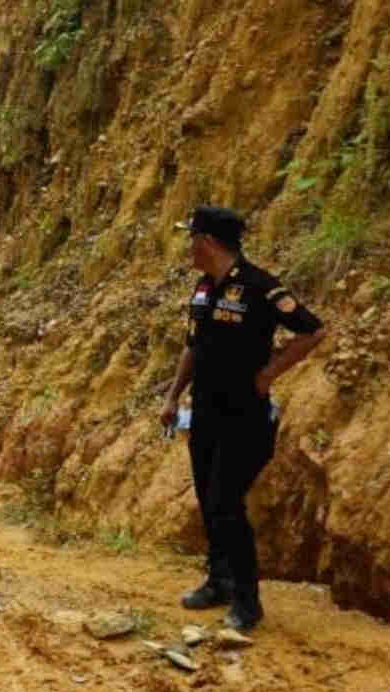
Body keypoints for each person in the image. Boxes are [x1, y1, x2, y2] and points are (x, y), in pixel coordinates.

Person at [160, 206, 327, 632]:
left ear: (208, 242)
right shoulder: (202, 287)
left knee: (225, 502)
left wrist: (268, 374)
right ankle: (218, 582)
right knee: (209, 500)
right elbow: (192, 346)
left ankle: (247, 602)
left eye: (191, 238)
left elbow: (311, 330)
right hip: (205, 413)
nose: (189, 246)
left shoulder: (259, 287)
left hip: (244, 416)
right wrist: (173, 395)